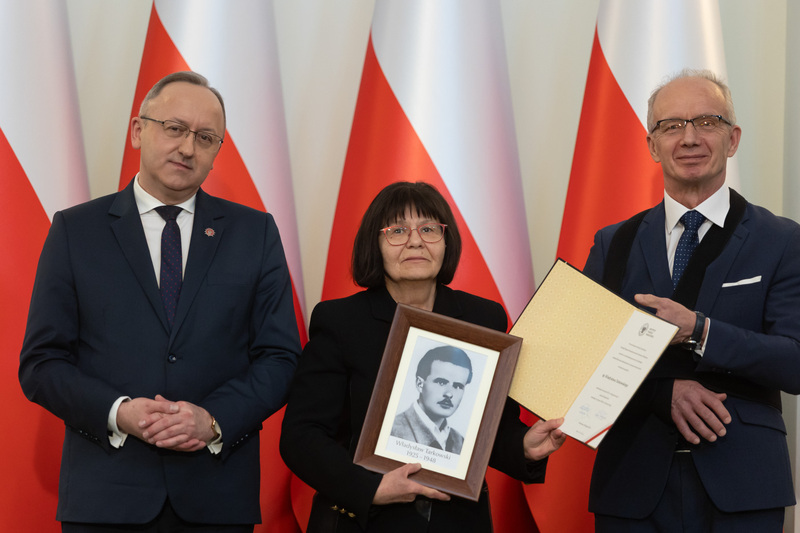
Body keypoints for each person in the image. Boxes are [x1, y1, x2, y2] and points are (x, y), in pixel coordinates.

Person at [19, 71, 300, 531]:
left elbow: (281, 357)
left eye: (205, 138)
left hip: (215, 498)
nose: (188, 148)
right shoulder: (76, 231)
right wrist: (119, 412)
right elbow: (42, 363)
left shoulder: (255, 233)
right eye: (174, 128)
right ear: (138, 131)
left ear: (217, 151)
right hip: (106, 499)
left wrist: (212, 420)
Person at [583, 69, 800, 532]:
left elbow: (795, 362)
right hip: (631, 481)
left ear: (732, 139)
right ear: (652, 145)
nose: (689, 138)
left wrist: (702, 332)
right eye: (671, 126)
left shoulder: (782, 240)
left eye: (707, 121)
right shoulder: (612, 243)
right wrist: (663, 393)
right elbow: (582, 360)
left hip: (743, 484)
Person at [280, 181, 565, 533]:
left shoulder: (483, 318)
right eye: (397, 231)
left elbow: (490, 427)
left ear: (446, 242)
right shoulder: (341, 321)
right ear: (375, 244)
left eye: (429, 229)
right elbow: (302, 435)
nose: (415, 241)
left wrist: (523, 446)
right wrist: (370, 488)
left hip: (458, 522)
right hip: (368, 523)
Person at [390, 345, 473, 454]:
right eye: (441, 382)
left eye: (458, 386)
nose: (449, 394)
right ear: (420, 384)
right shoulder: (391, 431)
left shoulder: (461, 443)